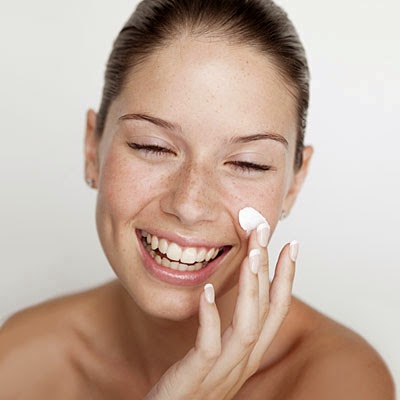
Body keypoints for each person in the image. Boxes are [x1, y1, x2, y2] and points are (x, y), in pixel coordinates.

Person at [0, 0, 395, 398]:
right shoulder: (18, 361)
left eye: (248, 163)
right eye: (152, 146)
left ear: (294, 184)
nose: (189, 205)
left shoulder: (340, 381)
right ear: (92, 148)